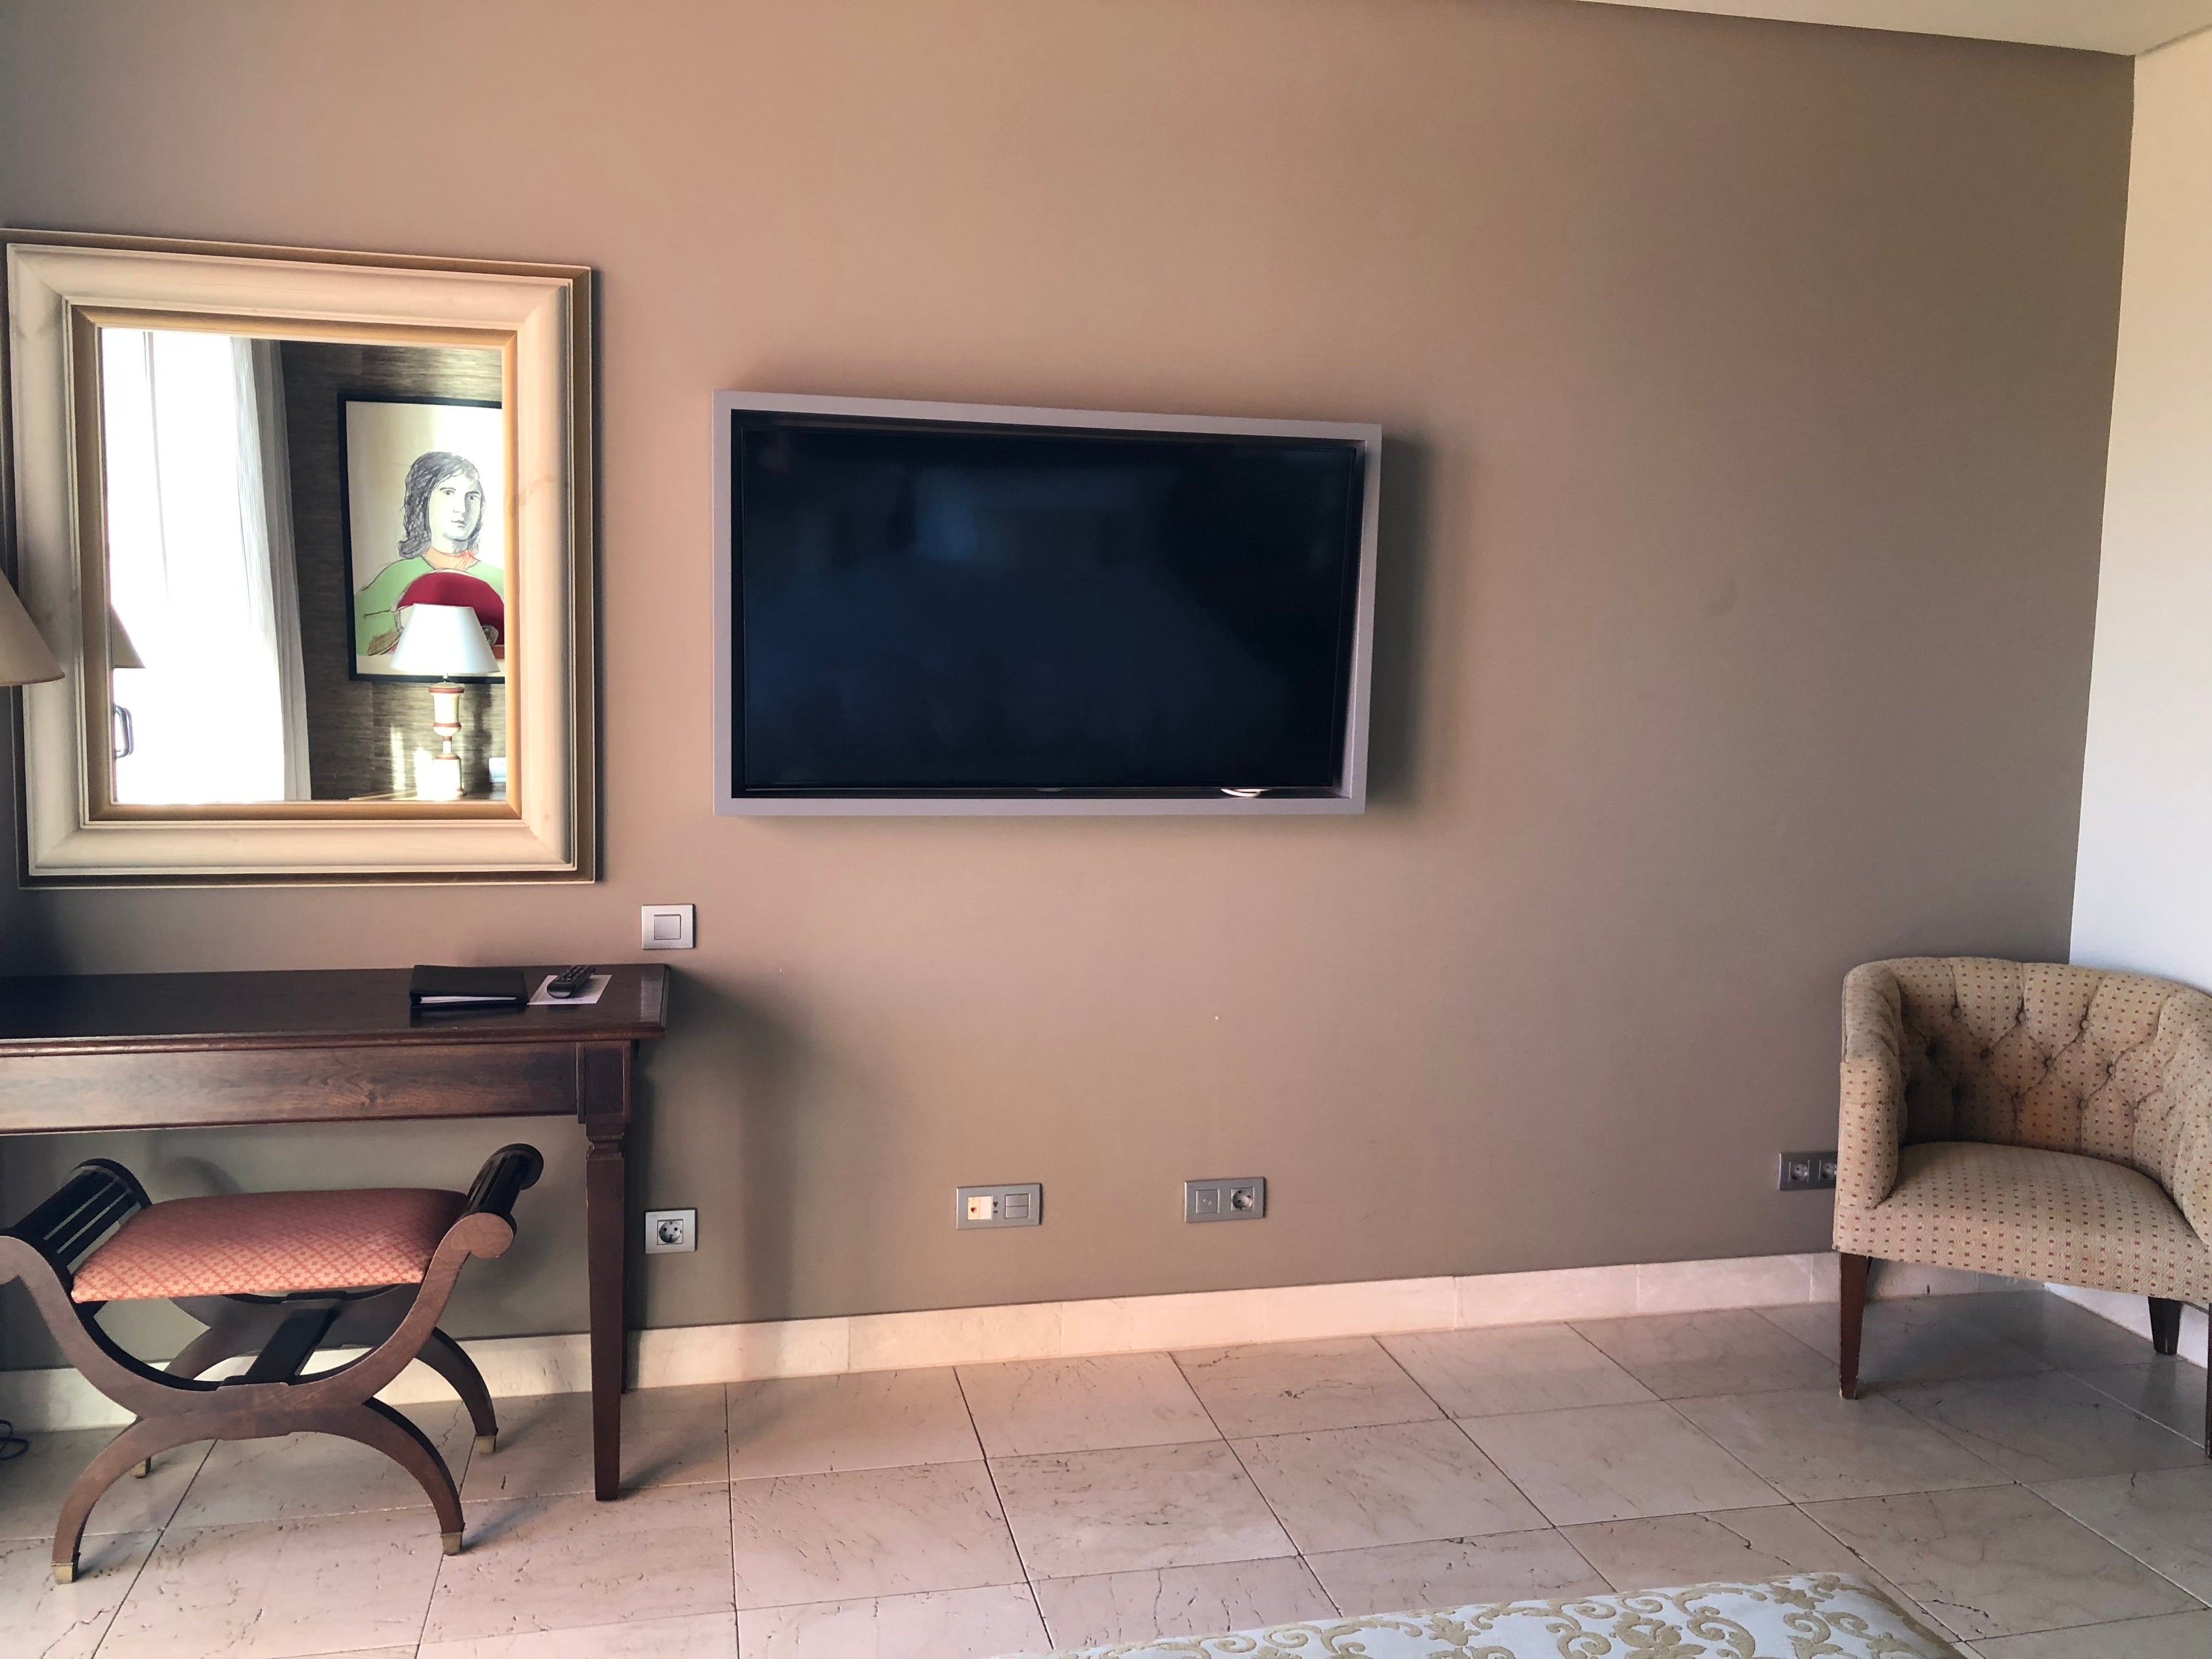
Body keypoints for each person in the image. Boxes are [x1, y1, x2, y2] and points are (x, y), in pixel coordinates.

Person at [354, 450, 503, 660]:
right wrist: (402, 620)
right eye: (448, 493)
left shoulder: (502, 580)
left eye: (472, 497)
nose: (462, 509)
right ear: (423, 501)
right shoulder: (395, 575)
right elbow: (354, 632)